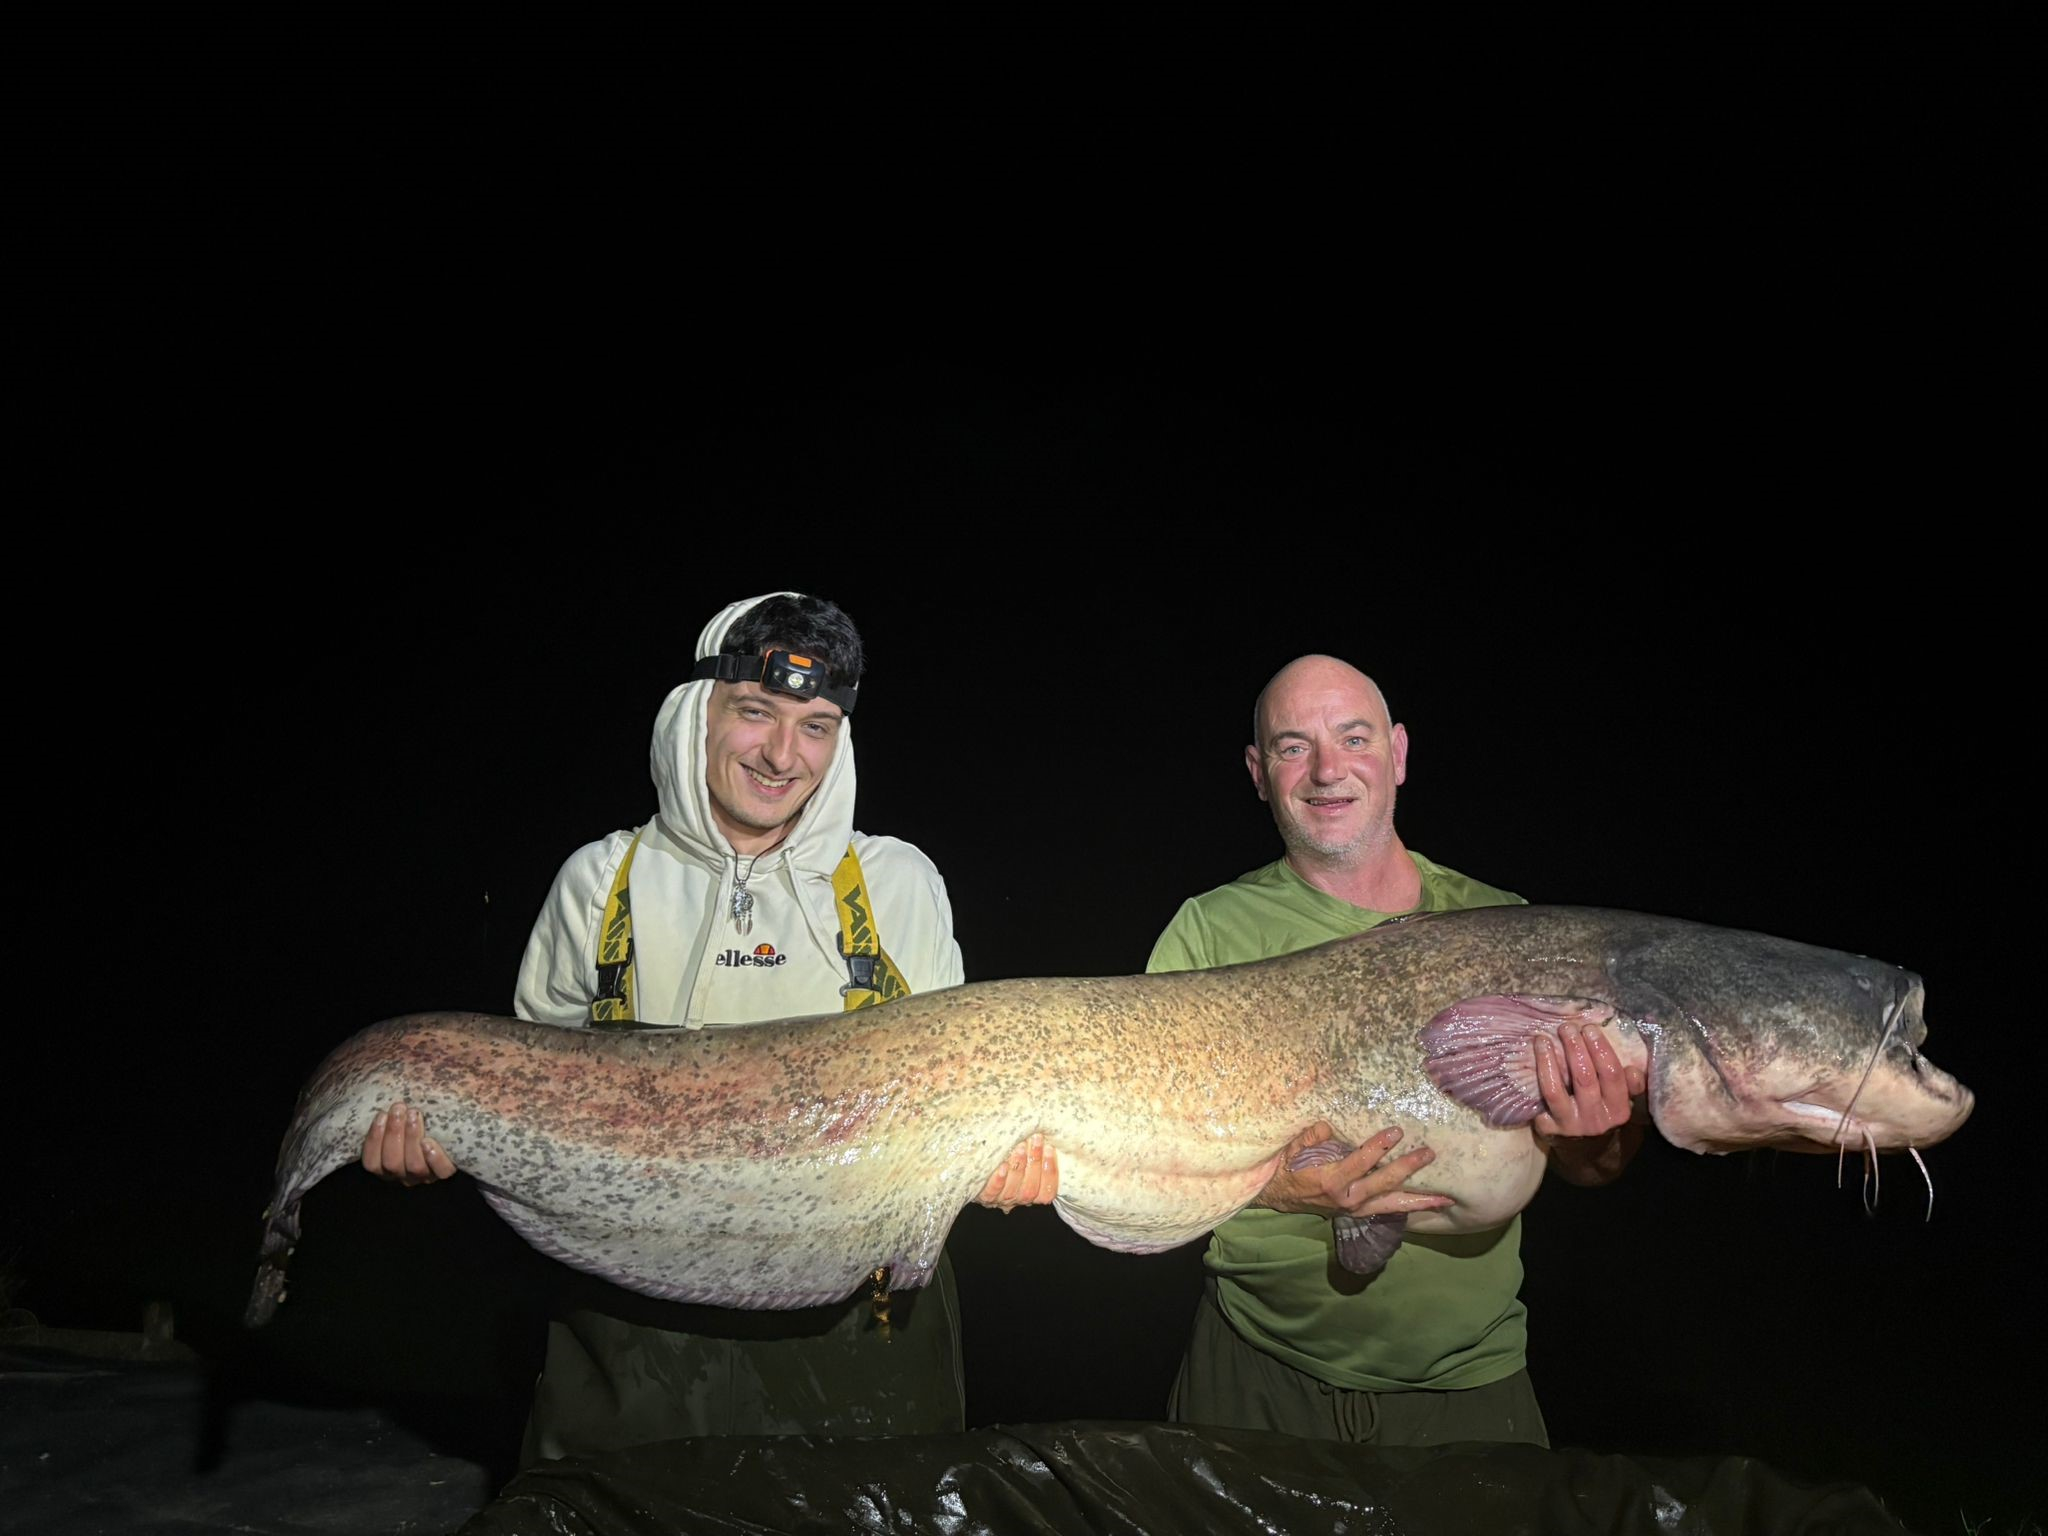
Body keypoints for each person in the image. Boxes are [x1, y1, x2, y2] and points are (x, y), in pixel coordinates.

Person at [361, 590, 1056, 1461]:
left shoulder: (896, 884)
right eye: (755, 712)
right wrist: (442, 1136)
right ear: (696, 712)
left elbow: (963, 1094)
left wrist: (998, 1161)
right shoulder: (599, 882)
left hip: (862, 1336)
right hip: (630, 1337)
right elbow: (525, 1100)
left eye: (815, 726)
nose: (782, 755)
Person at [1147, 653, 1643, 1448]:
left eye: (1354, 739)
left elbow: (1591, 1165)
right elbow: (1149, 1154)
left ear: (1399, 753)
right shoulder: (1208, 933)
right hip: (1255, 1371)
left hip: (1469, 1384)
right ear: (1259, 773)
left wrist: (1599, 1137)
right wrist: (1283, 1189)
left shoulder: (1509, 926)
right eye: (1293, 747)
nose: (1327, 771)